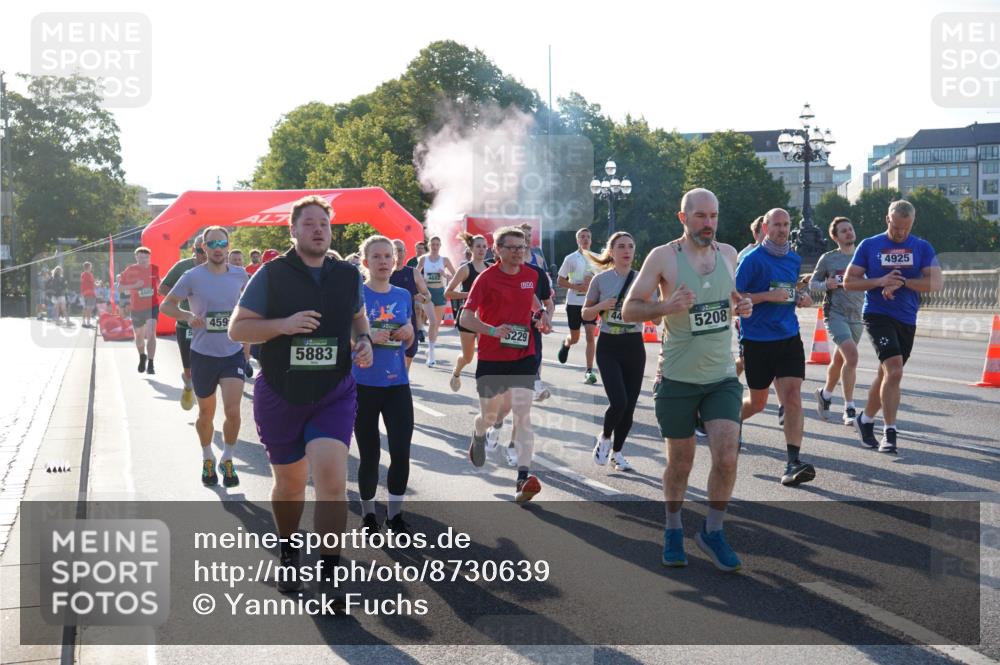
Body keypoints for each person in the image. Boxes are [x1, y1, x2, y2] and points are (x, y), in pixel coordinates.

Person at [229, 195, 373, 596]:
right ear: (292, 230)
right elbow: (238, 330)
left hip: (333, 391)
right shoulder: (272, 275)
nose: (317, 230)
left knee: (331, 480)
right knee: (290, 483)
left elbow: (358, 317)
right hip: (281, 391)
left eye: (324, 224)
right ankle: (289, 553)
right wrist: (284, 325)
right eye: (308, 223)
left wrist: (363, 341)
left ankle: (329, 575)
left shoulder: (347, 275)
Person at [623, 188, 752, 572]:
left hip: (721, 378)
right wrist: (665, 307)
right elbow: (629, 308)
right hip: (677, 378)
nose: (708, 223)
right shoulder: (664, 256)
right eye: (700, 216)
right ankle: (674, 528)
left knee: (727, 456)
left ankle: (712, 531)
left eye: (713, 216)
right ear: (683, 218)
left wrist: (740, 304)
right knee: (681, 463)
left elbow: (731, 298)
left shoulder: (728, 254)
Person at [460, 226, 552, 503]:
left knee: (522, 414)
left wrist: (542, 314)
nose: (517, 252)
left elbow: (531, 299)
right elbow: (466, 318)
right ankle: (479, 433)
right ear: (497, 250)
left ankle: (523, 477)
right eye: (511, 248)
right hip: (491, 357)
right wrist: (490, 330)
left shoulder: (532, 275)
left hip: (524, 355)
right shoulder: (486, 279)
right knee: (489, 416)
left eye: (521, 247)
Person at [844, 200, 942, 453]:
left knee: (886, 374)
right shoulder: (870, 245)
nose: (901, 233)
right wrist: (880, 281)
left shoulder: (921, 246)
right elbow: (849, 282)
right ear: (888, 219)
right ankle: (890, 432)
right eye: (897, 227)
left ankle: (865, 420)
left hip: (907, 318)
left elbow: (935, 283)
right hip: (877, 314)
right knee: (895, 371)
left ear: (913, 223)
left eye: (906, 228)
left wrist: (903, 283)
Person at [161, 226, 249, 487]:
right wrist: (187, 316)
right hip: (202, 354)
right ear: (204, 248)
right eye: (212, 244)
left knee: (233, 411)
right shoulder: (191, 276)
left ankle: (228, 458)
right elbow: (167, 304)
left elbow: (249, 307)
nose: (218, 248)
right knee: (206, 414)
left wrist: (247, 345)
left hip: (232, 353)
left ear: (228, 244)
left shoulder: (240, 275)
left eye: (222, 242)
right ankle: (208, 456)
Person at [736, 208, 816, 487]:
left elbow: (789, 290)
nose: (782, 229)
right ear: (766, 227)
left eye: (786, 224)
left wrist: (800, 297)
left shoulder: (794, 259)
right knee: (758, 402)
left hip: (788, 337)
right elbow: (735, 299)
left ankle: (793, 461)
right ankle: (734, 419)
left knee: (792, 396)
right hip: (757, 340)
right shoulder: (752, 260)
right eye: (776, 225)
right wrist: (768, 296)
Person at [354, 235, 416, 534]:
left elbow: (411, 334)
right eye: (376, 257)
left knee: (401, 451)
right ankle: (368, 514)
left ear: (395, 261)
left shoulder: (403, 295)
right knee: (370, 454)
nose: (382, 261)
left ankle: (394, 515)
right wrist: (365, 338)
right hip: (363, 385)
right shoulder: (357, 295)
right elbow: (343, 337)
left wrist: (407, 331)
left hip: (397, 386)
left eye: (387, 256)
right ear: (365, 262)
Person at [582, 232, 650, 471]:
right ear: (611, 251)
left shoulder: (643, 279)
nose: (627, 251)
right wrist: (601, 306)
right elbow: (585, 314)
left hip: (634, 345)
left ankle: (618, 453)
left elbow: (657, 316)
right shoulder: (600, 280)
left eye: (631, 246)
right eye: (621, 246)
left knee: (630, 406)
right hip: (609, 345)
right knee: (618, 401)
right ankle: (605, 437)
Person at [809, 217, 865, 425]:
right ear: (835, 237)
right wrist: (827, 284)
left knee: (840, 360)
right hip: (835, 314)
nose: (849, 233)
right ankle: (849, 407)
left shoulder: (864, 255)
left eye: (850, 229)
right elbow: (813, 284)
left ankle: (825, 394)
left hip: (856, 315)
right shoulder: (829, 259)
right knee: (851, 356)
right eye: (843, 231)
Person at [159, 234, 207, 411]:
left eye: (207, 250)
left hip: (209, 325)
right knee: (189, 369)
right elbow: (162, 288)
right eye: (201, 251)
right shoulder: (183, 267)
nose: (204, 254)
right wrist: (181, 292)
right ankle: (188, 383)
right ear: (194, 250)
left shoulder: (217, 268)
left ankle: (205, 403)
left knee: (206, 366)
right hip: (186, 324)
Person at [445, 232, 490, 392]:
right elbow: (448, 293)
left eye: (484, 246)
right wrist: (470, 295)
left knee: (486, 355)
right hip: (468, 318)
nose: (482, 250)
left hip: (486, 318)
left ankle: (485, 388)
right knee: (468, 357)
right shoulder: (465, 269)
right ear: (471, 248)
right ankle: (456, 372)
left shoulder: (490, 269)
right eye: (478, 246)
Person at [557, 228, 599, 384]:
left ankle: (589, 370)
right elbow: (560, 281)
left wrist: (594, 281)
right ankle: (567, 343)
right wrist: (577, 287)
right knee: (575, 337)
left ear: (591, 240)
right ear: (577, 241)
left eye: (588, 236)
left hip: (590, 303)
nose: (586, 239)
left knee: (590, 334)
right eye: (582, 237)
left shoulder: (598, 259)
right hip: (574, 302)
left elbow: (603, 278)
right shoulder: (571, 258)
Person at [390, 239, 432, 372]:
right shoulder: (384, 272)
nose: (398, 253)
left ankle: (404, 380)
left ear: (406, 252)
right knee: (391, 358)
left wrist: (423, 299)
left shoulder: (413, 272)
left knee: (409, 353)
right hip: (388, 320)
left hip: (409, 320)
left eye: (400, 250)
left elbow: (427, 295)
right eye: (395, 250)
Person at [119, 247, 161, 374]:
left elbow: (158, 282)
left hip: (152, 305)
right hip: (137, 308)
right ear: (136, 257)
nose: (144, 259)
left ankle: (151, 363)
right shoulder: (130, 270)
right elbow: (120, 288)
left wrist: (161, 286)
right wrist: (134, 286)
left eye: (146, 257)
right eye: (141, 257)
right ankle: (142, 356)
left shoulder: (154, 268)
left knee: (151, 333)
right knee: (139, 336)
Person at [416, 236, 457, 367]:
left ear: (440, 246)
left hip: (440, 293)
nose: (435, 247)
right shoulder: (424, 259)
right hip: (428, 294)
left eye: (437, 244)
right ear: (429, 245)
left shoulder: (444, 260)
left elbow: (455, 276)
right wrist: (421, 282)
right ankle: (432, 354)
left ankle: (430, 349)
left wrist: (444, 275)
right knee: (433, 322)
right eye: (433, 244)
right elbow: (415, 275)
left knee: (436, 325)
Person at [79, 262, 96, 328]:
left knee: (85, 308)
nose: (91, 267)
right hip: (90, 293)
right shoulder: (89, 274)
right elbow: (93, 284)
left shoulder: (82, 274)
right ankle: (88, 323)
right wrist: (98, 284)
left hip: (84, 293)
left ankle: (84, 322)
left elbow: (84, 283)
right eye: (90, 266)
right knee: (89, 308)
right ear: (89, 267)